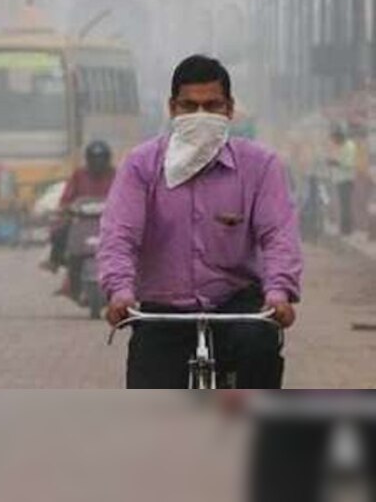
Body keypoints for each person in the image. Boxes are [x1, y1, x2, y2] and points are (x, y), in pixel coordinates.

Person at [98, 55, 302, 389]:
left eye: (212, 106)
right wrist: (119, 291)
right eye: (189, 106)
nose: (200, 116)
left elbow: (278, 235)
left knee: (260, 350)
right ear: (172, 108)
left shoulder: (261, 166)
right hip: (163, 308)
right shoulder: (141, 165)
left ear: (229, 109)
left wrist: (279, 292)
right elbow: (119, 235)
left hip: (237, 304)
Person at [46, 140, 117, 275]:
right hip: (82, 220)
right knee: (59, 231)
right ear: (88, 159)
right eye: (95, 159)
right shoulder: (79, 175)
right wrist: (65, 208)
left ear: (107, 159)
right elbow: (67, 197)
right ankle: (55, 260)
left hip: (110, 220)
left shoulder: (116, 175)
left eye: (101, 158)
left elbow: (127, 195)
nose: (98, 163)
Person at [326, 123, 358, 237]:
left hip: (346, 179)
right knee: (344, 205)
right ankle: (344, 229)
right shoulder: (342, 146)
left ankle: (347, 230)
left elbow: (349, 163)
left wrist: (335, 162)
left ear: (340, 136)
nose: (334, 141)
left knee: (346, 205)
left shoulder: (349, 146)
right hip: (340, 179)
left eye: (335, 138)